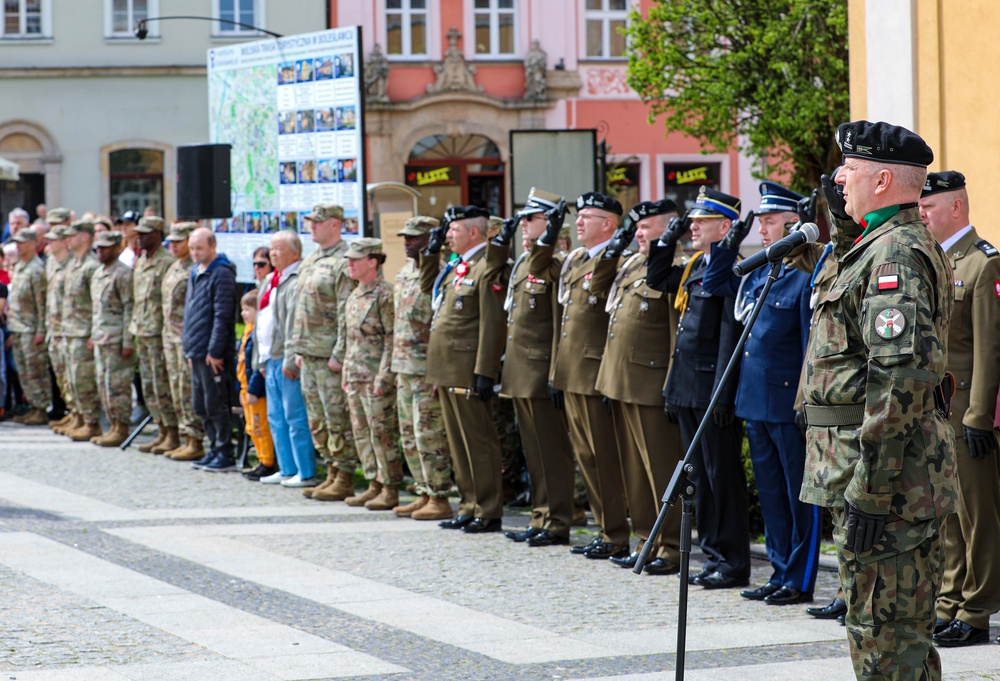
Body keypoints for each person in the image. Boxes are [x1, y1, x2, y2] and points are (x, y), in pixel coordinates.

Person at [801, 121, 955, 679]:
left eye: (852, 168)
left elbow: (900, 381)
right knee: (882, 638)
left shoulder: (895, 257)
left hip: (890, 485)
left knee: (889, 647)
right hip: (879, 477)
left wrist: (870, 488)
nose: (839, 177)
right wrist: (844, 230)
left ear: (885, 178)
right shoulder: (879, 244)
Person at [701, 182, 819, 604]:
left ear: (792, 223)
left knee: (796, 494)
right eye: (761, 222)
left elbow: (809, 344)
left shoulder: (805, 274)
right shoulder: (762, 270)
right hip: (754, 398)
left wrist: (805, 400)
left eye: (769, 222)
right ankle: (778, 569)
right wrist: (731, 241)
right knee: (770, 493)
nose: (762, 230)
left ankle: (800, 579)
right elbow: (716, 284)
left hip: (787, 401)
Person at [647, 186, 749, 589]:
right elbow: (658, 278)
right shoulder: (695, 266)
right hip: (687, 387)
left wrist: (723, 395)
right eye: (691, 221)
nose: (692, 226)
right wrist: (665, 238)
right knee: (699, 478)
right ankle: (712, 553)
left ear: (724, 227)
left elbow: (728, 336)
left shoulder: (729, 269)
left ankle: (733, 560)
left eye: (700, 221)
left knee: (721, 476)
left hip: (711, 392)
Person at [917, 170, 1000, 647]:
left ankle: (977, 611)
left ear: (956, 208)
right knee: (947, 514)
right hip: (938, 409)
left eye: (929, 208)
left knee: (977, 517)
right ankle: (949, 601)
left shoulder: (983, 264)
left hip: (968, 410)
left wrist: (980, 415)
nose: (922, 215)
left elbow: (990, 349)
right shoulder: (938, 262)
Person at [593, 199, 684, 573]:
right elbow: (597, 288)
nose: (638, 234)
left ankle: (673, 545)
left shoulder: (677, 268)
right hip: (622, 381)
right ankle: (647, 539)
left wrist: (669, 384)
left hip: (650, 383)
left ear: (668, 229)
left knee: (660, 470)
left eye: (646, 227)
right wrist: (617, 246)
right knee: (635, 471)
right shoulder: (632, 263)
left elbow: (674, 334)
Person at [549, 192, 631, 560]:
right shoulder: (576, 259)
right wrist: (556, 372)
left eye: (587, 217)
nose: (578, 223)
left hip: (596, 372)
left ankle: (616, 532)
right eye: (578, 216)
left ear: (609, 224)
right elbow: (564, 322)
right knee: (586, 456)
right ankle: (604, 527)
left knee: (604, 457)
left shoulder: (618, 261)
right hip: (572, 372)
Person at [494, 188, 577, 547]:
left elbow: (558, 323)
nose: (524, 224)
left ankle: (558, 520)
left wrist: (555, 371)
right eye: (523, 218)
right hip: (519, 370)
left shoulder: (554, 263)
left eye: (532, 218)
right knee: (533, 450)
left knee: (550, 450)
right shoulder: (523, 264)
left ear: (550, 223)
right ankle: (540, 515)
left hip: (541, 369)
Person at [420, 205, 510, 533]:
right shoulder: (459, 265)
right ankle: (469, 504)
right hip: (448, 366)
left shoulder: (487, 266)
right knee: (459, 442)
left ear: (474, 232)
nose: (448, 235)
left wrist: (485, 370)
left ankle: (487, 509)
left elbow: (491, 321)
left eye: (453, 230)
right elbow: (428, 290)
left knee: (478, 441)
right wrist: (429, 254)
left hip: (468, 366)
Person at [289, 204, 359, 501]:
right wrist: (297, 347)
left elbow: (346, 311)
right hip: (309, 352)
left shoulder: (345, 260)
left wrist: (340, 353)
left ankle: (344, 475)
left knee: (336, 418)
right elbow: (300, 308)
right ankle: (330, 470)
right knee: (317, 419)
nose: (312, 227)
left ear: (335, 224)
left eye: (317, 222)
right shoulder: (312, 258)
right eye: (310, 222)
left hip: (329, 354)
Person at [391, 216, 454, 520]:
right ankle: (423, 491)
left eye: (414, 237)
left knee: (429, 434)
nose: (407, 242)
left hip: (426, 369)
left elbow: (443, 327)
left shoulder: (441, 274)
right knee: (409, 435)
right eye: (405, 237)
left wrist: (438, 371)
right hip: (404, 367)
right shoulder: (403, 274)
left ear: (432, 240)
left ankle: (440, 496)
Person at [339, 238, 400, 509]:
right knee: (362, 433)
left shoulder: (385, 294)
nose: (349, 264)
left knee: (382, 434)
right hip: (355, 376)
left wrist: (384, 376)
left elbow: (392, 338)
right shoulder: (355, 293)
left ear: (372, 261)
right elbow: (350, 339)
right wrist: (345, 374)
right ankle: (373, 482)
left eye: (355, 259)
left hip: (376, 377)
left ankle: (390, 487)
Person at [259, 230, 315, 485]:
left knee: (294, 416)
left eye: (279, 248)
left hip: (286, 357)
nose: (273, 253)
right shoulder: (272, 278)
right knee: (276, 417)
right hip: (270, 356)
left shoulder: (297, 277)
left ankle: (305, 471)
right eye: (271, 248)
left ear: (295, 252)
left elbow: (295, 323)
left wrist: (292, 358)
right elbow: (262, 321)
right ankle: (286, 468)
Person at [183, 228, 237, 471]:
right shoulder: (195, 271)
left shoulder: (221, 273)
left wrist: (214, 350)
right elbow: (190, 312)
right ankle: (213, 447)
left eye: (199, 248)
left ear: (212, 246)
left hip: (212, 352)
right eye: (192, 248)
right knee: (201, 404)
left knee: (216, 403)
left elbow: (222, 315)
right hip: (196, 349)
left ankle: (224, 451)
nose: (194, 253)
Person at [130, 217, 180, 455]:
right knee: (149, 386)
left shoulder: (166, 262)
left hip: (160, 333)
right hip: (143, 331)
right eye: (138, 233)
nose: (139, 237)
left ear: (158, 235)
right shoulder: (141, 260)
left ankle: (172, 432)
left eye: (145, 233)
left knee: (162, 386)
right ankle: (161, 429)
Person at [160, 222, 205, 462]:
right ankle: (178, 432)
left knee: (187, 388)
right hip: (170, 336)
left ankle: (194, 438)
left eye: (179, 241)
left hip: (185, 337)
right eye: (172, 241)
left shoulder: (194, 269)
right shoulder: (173, 267)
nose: (173, 245)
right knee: (175, 387)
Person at [88, 231, 135, 446]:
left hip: (116, 338)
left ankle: (121, 426)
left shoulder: (123, 274)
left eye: (105, 247)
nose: (101, 251)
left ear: (117, 248)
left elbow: (128, 309)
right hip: (101, 336)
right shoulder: (98, 273)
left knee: (117, 386)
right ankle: (112, 424)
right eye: (98, 247)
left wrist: (127, 341)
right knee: (103, 385)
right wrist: (92, 333)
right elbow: (95, 309)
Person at [60, 220, 102, 441]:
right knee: (73, 379)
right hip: (70, 330)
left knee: (84, 379)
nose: (68, 239)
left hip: (83, 331)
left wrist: (94, 332)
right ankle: (79, 416)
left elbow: (97, 303)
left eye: (72, 235)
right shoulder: (74, 264)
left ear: (85, 237)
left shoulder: (91, 266)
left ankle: (92, 422)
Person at [6, 229, 50, 426]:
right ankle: (32, 406)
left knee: (35, 371)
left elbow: (42, 304)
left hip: (31, 328)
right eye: (17, 243)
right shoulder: (20, 266)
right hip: (18, 326)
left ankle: (41, 408)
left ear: (33, 244)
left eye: (23, 242)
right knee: (23, 371)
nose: (18, 246)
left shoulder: (37, 269)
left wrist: (41, 331)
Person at [236, 289, 275, 478]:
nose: (244, 314)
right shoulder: (247, 332)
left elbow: (257, 364)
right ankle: (260, 459)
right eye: (243, 310)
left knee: (260, 427)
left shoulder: (257, 334)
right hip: (246, 389)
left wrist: (252, 389)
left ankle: (267, 461)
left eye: (248, 310)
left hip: (255, 391)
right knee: (251, 427)